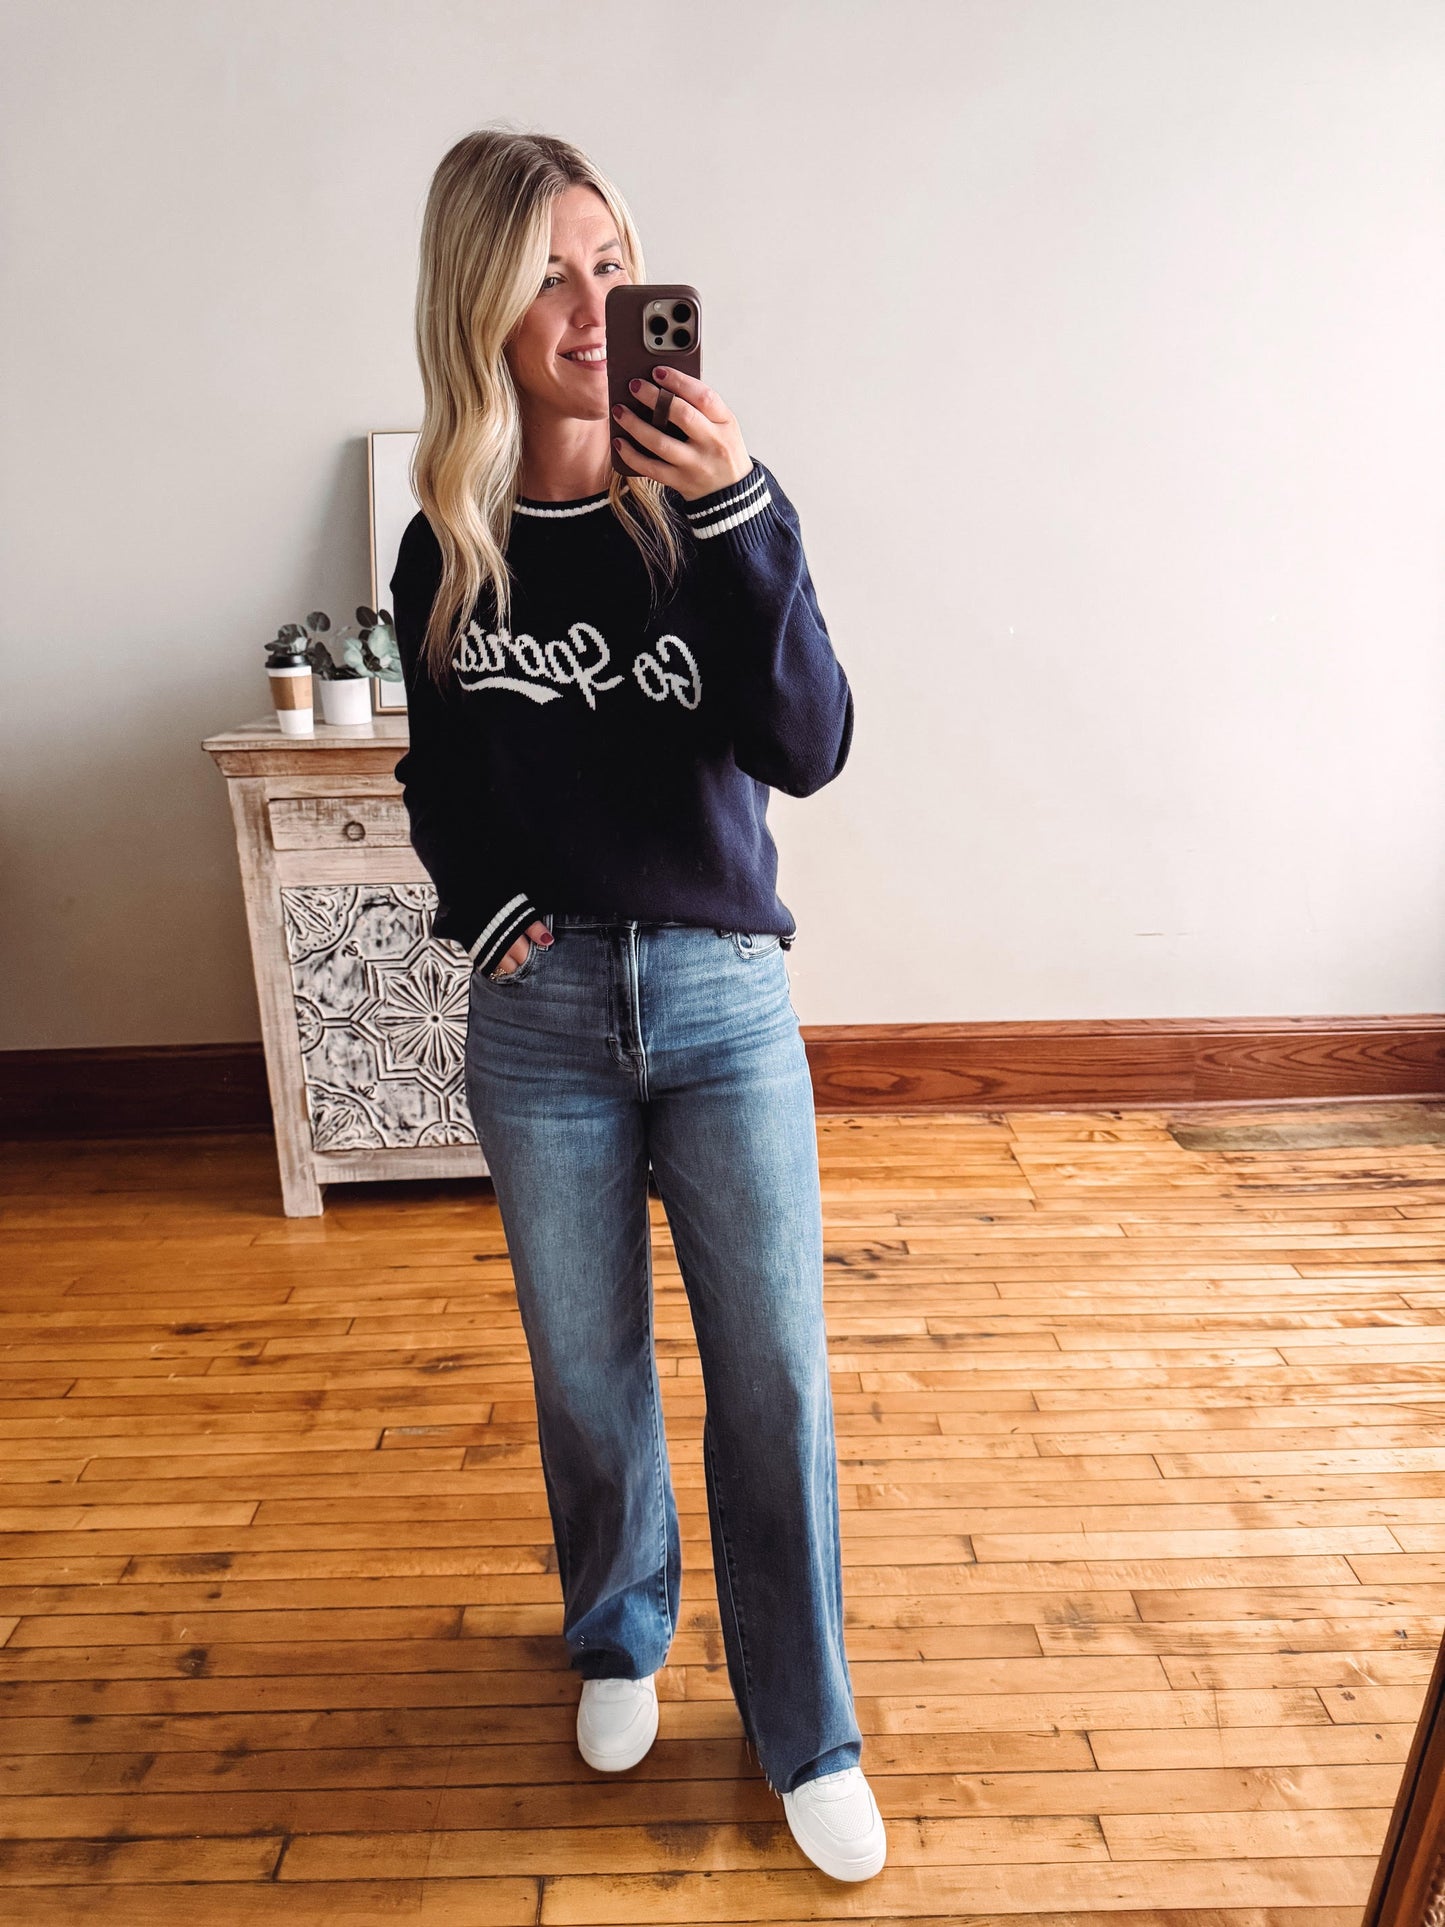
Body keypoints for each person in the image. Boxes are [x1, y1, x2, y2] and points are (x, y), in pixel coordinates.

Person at [388, 127, 886, 1884]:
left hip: (723, 1002)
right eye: (547, 269)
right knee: (586, 1378)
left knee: (774, 1384)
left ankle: (803, 1724)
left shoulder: (710, 507)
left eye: (611, 261)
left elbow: (808, 747)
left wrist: (743, 514)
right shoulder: (444, 537)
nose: (592, 303)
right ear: (482, 303)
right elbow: (441, 784)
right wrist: (489, 909)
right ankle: (617, 1632)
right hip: (539, 1027)